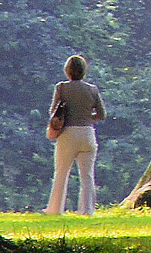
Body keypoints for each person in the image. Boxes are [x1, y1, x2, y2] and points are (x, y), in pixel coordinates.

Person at [44, 54, 106, 215]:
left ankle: (55, 209)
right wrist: (87, 117)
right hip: (87, 134)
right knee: (87, 175)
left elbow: (53, 111)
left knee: (61, 172)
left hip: (68, 134)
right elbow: (102, 114)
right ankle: (87, 210)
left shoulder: (62, 88)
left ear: (68, 71)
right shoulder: (92, 89)